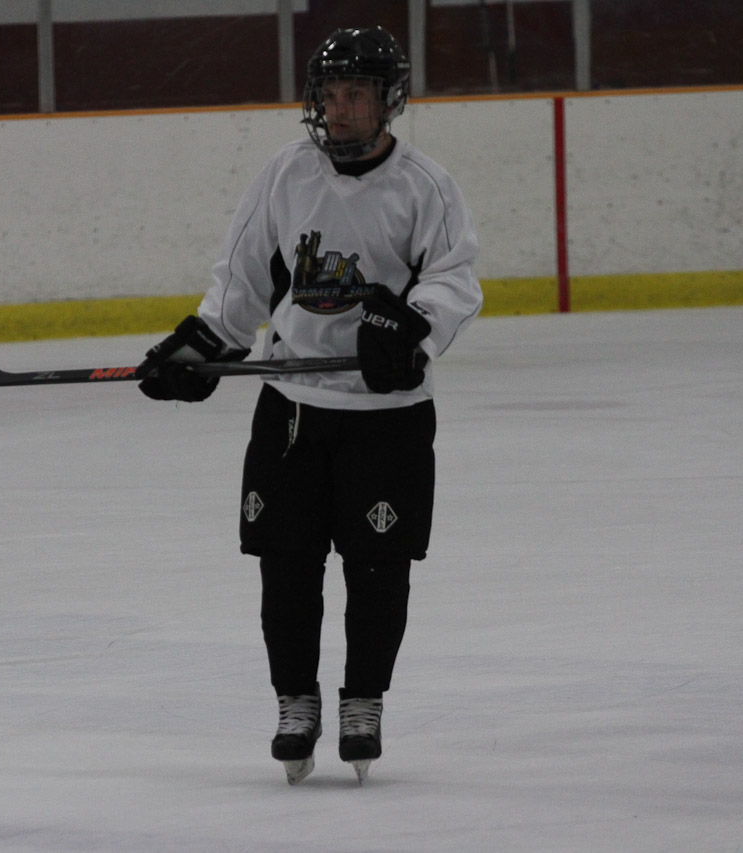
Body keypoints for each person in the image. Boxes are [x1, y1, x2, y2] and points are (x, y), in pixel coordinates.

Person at [135, 26, 482, 785]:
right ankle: (296, 700)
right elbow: (243, 277)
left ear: (388, 101)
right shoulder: (287, 173)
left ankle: (363, 701)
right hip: (292, 407)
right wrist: (204, 344)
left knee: (378, 566)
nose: (341, 108)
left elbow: (454, 279)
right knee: (285, 565)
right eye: (330, 93)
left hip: (387, 415)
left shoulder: (425, 185)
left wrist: (413, 328)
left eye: (357, 93)